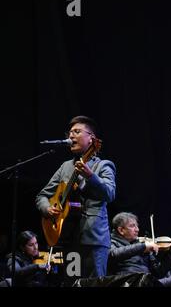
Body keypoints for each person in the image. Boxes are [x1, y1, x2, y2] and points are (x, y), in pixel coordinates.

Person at [35, 115, 116, 279]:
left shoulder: (103, 165)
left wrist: (90, 176)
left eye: (77, 132)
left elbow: (109, 193)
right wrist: (47, 208)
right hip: (68, 238)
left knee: (94, 283)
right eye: (70, 133)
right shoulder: (65, 167)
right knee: (72, 282)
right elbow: (42, 195)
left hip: (93, 239)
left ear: (91, 138)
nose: (71, 136)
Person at [108, 212, 171, 287]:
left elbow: (158, 272)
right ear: (121, 230)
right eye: (132, 226)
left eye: (137, 226)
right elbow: (113, 254)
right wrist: (143, 246)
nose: (137, 229)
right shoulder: (111, 242)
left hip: (144, 281)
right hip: (128, 282)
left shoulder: (140, 245)